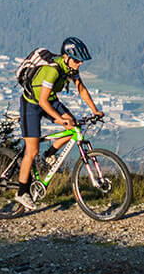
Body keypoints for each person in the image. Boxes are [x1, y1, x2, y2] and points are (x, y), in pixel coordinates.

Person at [14, 35, 102, 209]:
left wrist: (94, 110)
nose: (80, 64)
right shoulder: (53, 70)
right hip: (32, 104)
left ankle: (49, 154)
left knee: (74, 127)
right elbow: (42, 102)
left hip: (50, 101)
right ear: (67, 57)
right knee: (32, 151)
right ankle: (22, 192)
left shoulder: (71, 69)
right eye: (77, 60)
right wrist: (61, 119)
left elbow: (81, 89)